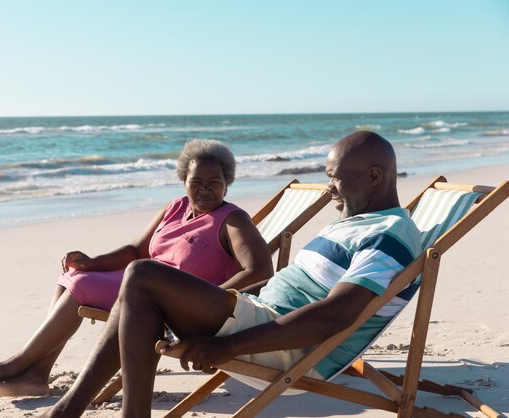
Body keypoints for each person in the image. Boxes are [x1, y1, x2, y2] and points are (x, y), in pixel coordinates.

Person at [39, 130, 423, 418]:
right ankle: (73, 411)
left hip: (284, 347)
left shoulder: (387, 236)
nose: (329, 188)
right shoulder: (354, 223)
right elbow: (279, 283)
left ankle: (74, 411)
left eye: (335, 177)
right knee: (140, 288)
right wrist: (220, 298)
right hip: (258, 315)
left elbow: (334, 316)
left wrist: (227, 348)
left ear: (374, 177)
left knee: (142, 275)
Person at [0, 139, 273, 397]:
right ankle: (37, 373)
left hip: (174, 302)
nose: (205, 190)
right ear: (184, 181)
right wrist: (92, 261)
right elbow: (137, 250)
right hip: (145, 284)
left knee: (81, 285)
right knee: (72, 273)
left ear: (227, 184)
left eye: (215, 183)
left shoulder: (232, 219)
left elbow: (259, 270)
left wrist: (210, 298)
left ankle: (20, 363)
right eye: (197, 182)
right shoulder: (175, 207)